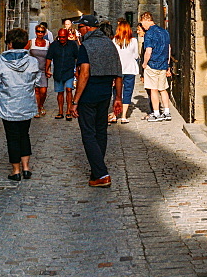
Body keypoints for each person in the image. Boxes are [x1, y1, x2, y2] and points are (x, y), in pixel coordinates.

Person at [71, 14, 123, 187]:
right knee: (100, 131)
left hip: (89, 93)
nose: (78, 32)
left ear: (87, 28)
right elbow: (118, 73)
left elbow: (84, 73)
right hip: (104, 94)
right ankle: (96, 171)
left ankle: (101, 173)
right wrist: (118, 98)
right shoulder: (110, 44)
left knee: (88, 133)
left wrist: (75, 100)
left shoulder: (86, 46)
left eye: (80, 28)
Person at [0, 27, 40, 181]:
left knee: (12, 137)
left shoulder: (0, 62)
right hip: (26, 103)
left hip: (8, 105)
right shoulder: (33, 62)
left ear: (9, 44)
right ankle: (26, 168)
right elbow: (36, 81)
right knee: (24, 134)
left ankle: (15, 170)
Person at [139, 11, 172, 122]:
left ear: (146, 20)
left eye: (142, 23)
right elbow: (169, 49)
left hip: (152, 64)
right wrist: (168, 64)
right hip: (163, 64)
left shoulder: (149, 33)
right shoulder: (164, 32)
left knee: (153, 89)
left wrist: (144, 64)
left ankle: (156, 113)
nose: (142, 26)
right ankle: (167, 112)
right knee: (163, 89)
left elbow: (148, 51)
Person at [46, 28, 79, 119]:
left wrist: (77, 71)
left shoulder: (72, 45)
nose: (62, 39)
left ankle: (68, 111)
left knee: (69, 90)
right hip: (58, 71)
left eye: (63, 37)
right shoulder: (54, 45)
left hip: (69, 71)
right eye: (60, 37)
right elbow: (49, 58)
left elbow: (77, 58)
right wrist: (47, 69)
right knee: (60, 92)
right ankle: (60, 111)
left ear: (67, 36)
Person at [113, 19, 139, 124]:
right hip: (130, 69)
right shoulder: (133, 41)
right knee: (128, 91)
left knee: (116, 92)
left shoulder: (114, 41)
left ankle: (115, 114)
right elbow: (136, 55)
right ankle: (124, 116)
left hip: (118, 69)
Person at [27, 23, 51, 116]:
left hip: (43, 70)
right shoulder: (31, 42)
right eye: (38, 31)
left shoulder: (48, 44)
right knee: (36, 90)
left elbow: (50, 57)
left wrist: (48, 69)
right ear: (35, 32)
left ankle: (41, 105)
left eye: (42, 32)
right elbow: (24, 52)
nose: (40, 33)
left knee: (43, 91)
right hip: (33, 70)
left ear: (44, 33)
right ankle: (37, 108)